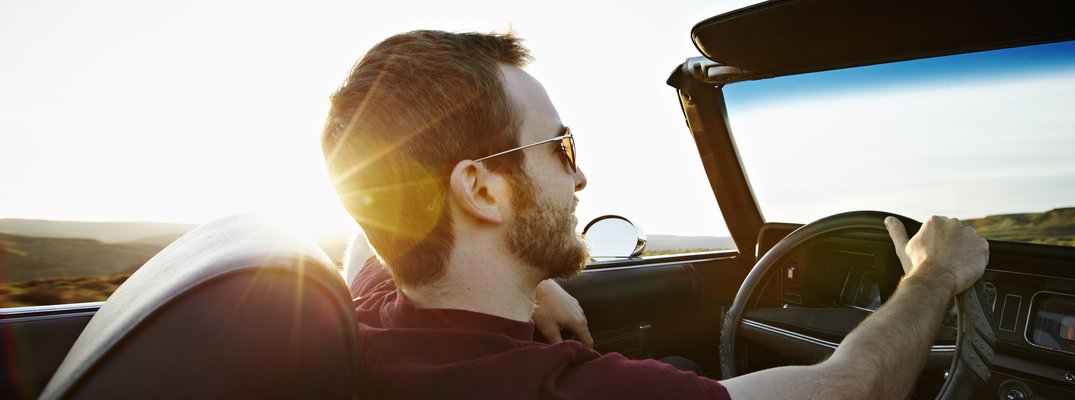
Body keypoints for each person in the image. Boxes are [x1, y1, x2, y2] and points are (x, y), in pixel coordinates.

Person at [320, 30, 988, 399]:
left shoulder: (369, 310)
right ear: (483, 191)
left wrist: (531, 279)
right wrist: (933, 275)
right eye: (559, 147)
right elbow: (851, 386)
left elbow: (370, 233)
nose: (580, 176)